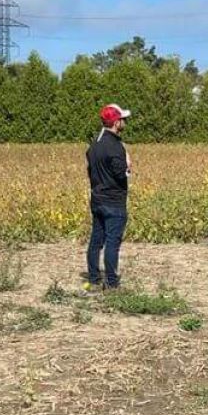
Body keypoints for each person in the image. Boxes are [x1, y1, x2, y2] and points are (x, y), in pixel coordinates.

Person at [85, 103, 131, 291]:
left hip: (97, 199)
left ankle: (94, 279)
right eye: (123, 119)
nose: (125, 122)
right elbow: (121, 174)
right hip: (114, 201)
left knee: (96, 240)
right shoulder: (116, 146)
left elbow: (90, 171)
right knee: (112, 242)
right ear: (115, 122)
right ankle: (111, 283)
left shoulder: (94, 145)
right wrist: (128, 164)